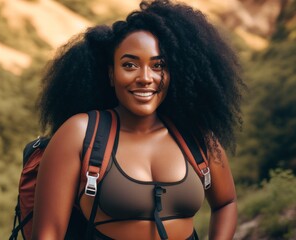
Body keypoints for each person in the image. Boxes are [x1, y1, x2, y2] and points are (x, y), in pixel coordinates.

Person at [32, 0, 245, 239]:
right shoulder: (80, 134)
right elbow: (48, 234)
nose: (145, 78)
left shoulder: (196, 136)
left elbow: (225, 202)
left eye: (158, 65)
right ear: (111, 74)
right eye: (130, 65)